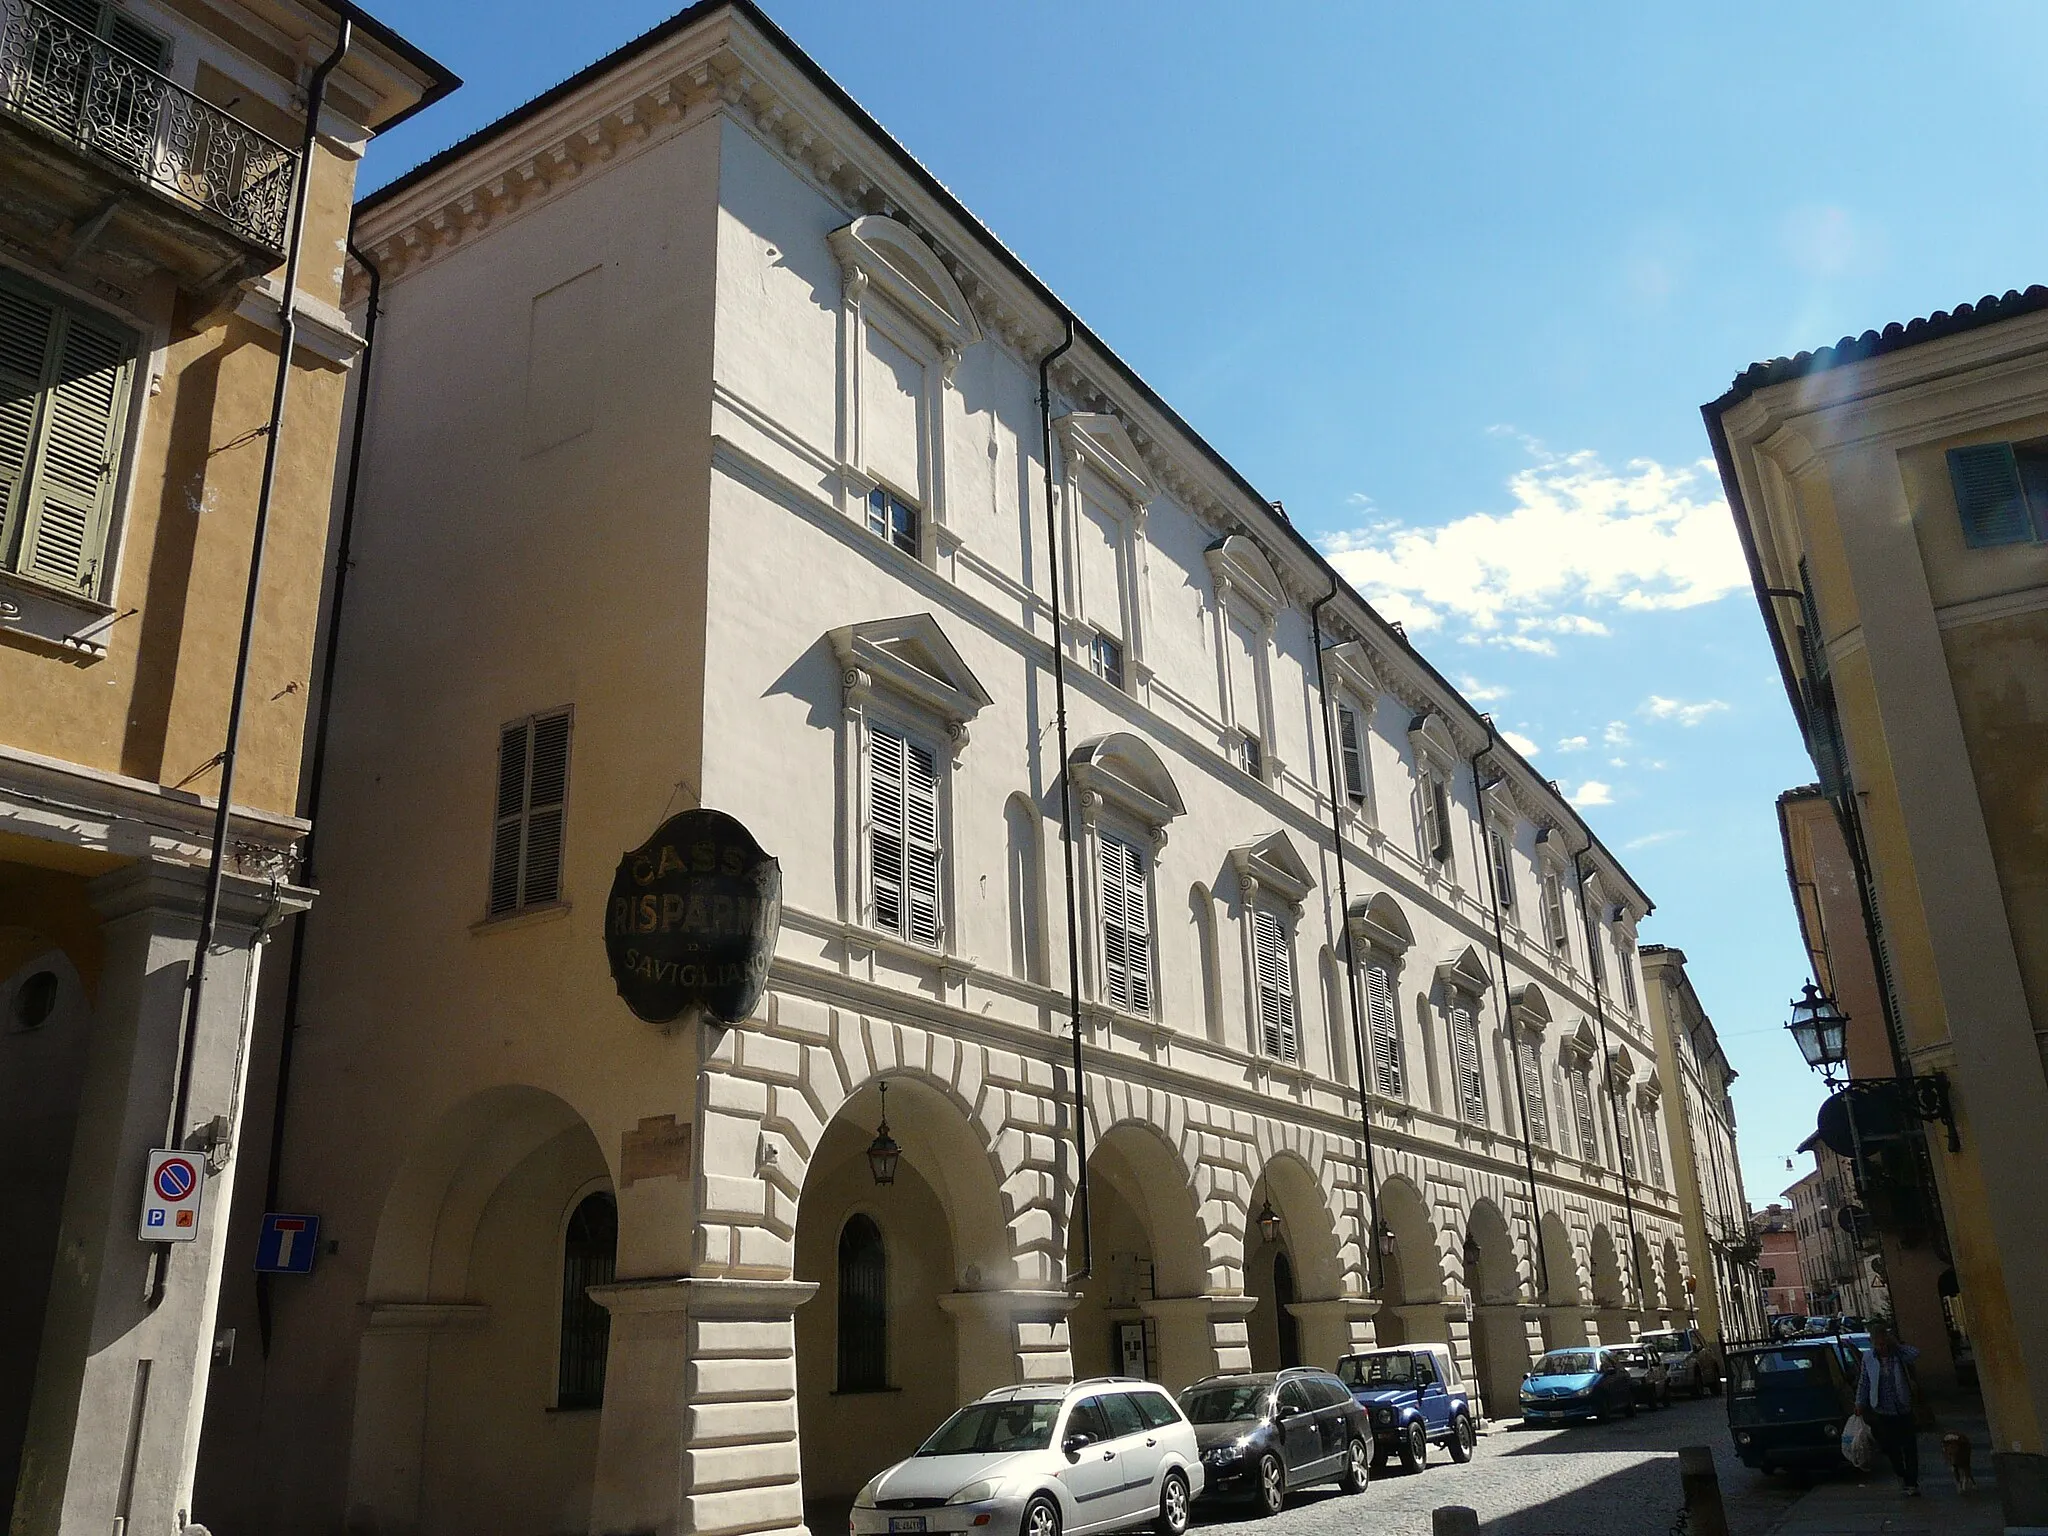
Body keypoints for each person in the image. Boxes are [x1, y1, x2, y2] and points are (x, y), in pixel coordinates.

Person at [1853, 1321, 1921, 1496]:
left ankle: (1912, 1482)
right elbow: (1864, 1382)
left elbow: (1915, 1354)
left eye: (1884, 1343)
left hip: (1903, 1406)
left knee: (1909, 1446)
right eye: (1879, 1344)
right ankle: (1901, 1473)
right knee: (1891, 1447)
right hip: (1883, 1409)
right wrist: (1860, 1402)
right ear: (1873, 1343)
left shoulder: (1898, 1356)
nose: (1882, 1347)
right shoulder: (1869, 1358)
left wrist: (1897, 1346)